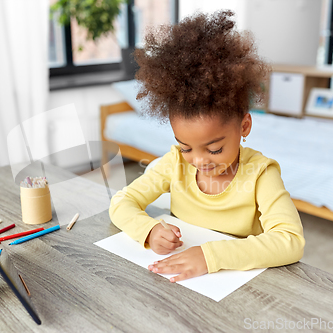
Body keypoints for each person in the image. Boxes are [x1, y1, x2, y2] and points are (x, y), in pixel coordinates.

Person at [108, 10, 305, 283]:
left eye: (214, 149)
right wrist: (148, 230)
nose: (199, 161)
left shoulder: (261, 174)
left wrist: (211, 256)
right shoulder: (173, 164)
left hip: (239, 283)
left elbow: (290, 241)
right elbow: (121, 202)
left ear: (244, 127)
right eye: (186, 147)